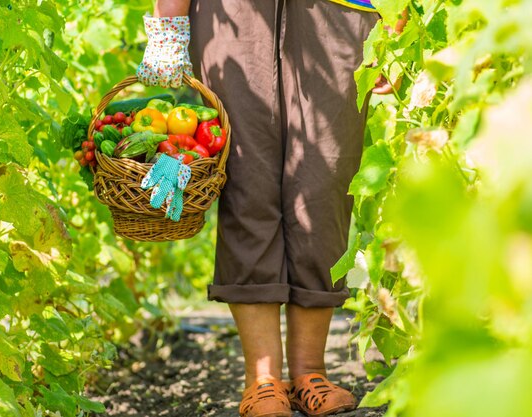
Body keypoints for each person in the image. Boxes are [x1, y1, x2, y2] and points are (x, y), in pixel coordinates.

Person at [137, 1, 403, 416]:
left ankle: (309, 373)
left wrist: (395, 21)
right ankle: (262, 380)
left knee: (325, 183)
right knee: (245, 180)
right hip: (231, 11)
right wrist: (168, 20)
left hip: (342, 9)